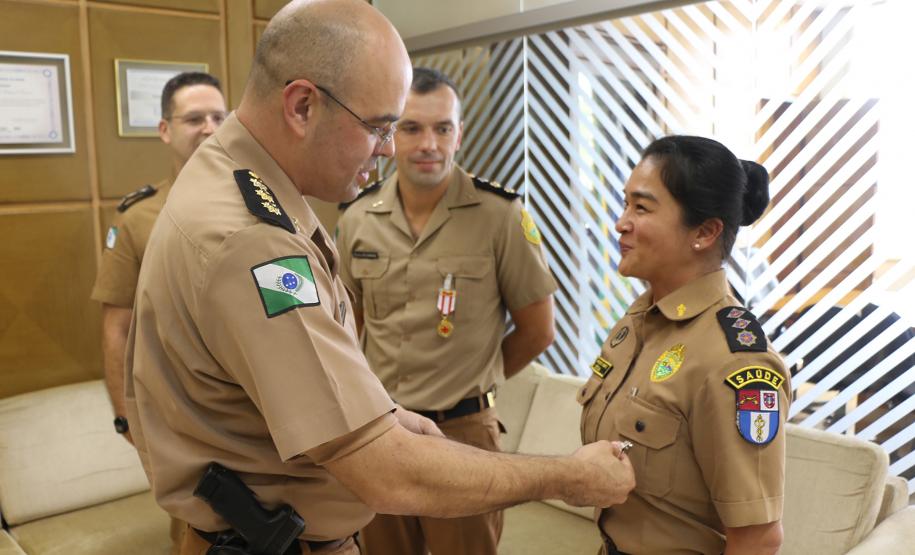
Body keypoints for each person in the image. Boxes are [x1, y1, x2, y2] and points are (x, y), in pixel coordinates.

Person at [123, 2, 635, 554]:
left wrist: (390, 415)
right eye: (382, 126)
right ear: (301, 105)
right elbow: (389, 475)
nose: (392, 148)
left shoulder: (233, 179)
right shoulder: (255, 239)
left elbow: (534, 327)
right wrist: (568, 477)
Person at [335, 67, 557, 555]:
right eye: (411, 128)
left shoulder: (502, 216)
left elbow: (538, 329)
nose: (428, 144)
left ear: (460, 134)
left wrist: (475, 380)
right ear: (390, 135)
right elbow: (349, 327)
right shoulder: (356, 218)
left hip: (464, 435)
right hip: (382, 430)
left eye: (443, 128)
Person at [578, 135, 789, 554]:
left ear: (705, 232)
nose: (621, 222)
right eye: (625, 204)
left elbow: (758, 540)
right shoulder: (638, 323)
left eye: (641, 208)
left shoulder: (733, 361)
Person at [91, 71, 226, 442]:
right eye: (195, 119)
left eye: (219, 118)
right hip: (178, 414)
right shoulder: (137, 218)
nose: (210, 129)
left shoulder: (261, 205)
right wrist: (124, 417)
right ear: (165, 129)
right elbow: (117, 326)